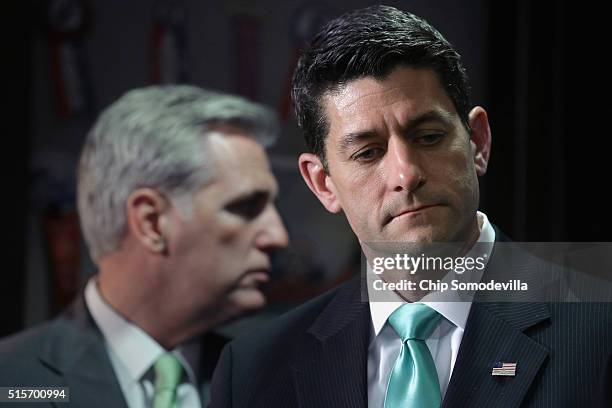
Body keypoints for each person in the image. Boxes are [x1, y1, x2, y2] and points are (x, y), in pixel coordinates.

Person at [209, 5, 612, 407]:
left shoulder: (599, 330)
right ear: (322, 183)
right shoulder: (253, 370)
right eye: (368, 153)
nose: (406, 174)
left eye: (429, 137)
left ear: (478, 142)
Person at [0, 85, 289, 407]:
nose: (278, 236)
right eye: (246, 207)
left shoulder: (280, 380)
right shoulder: (12, 383)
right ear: (152, 222)